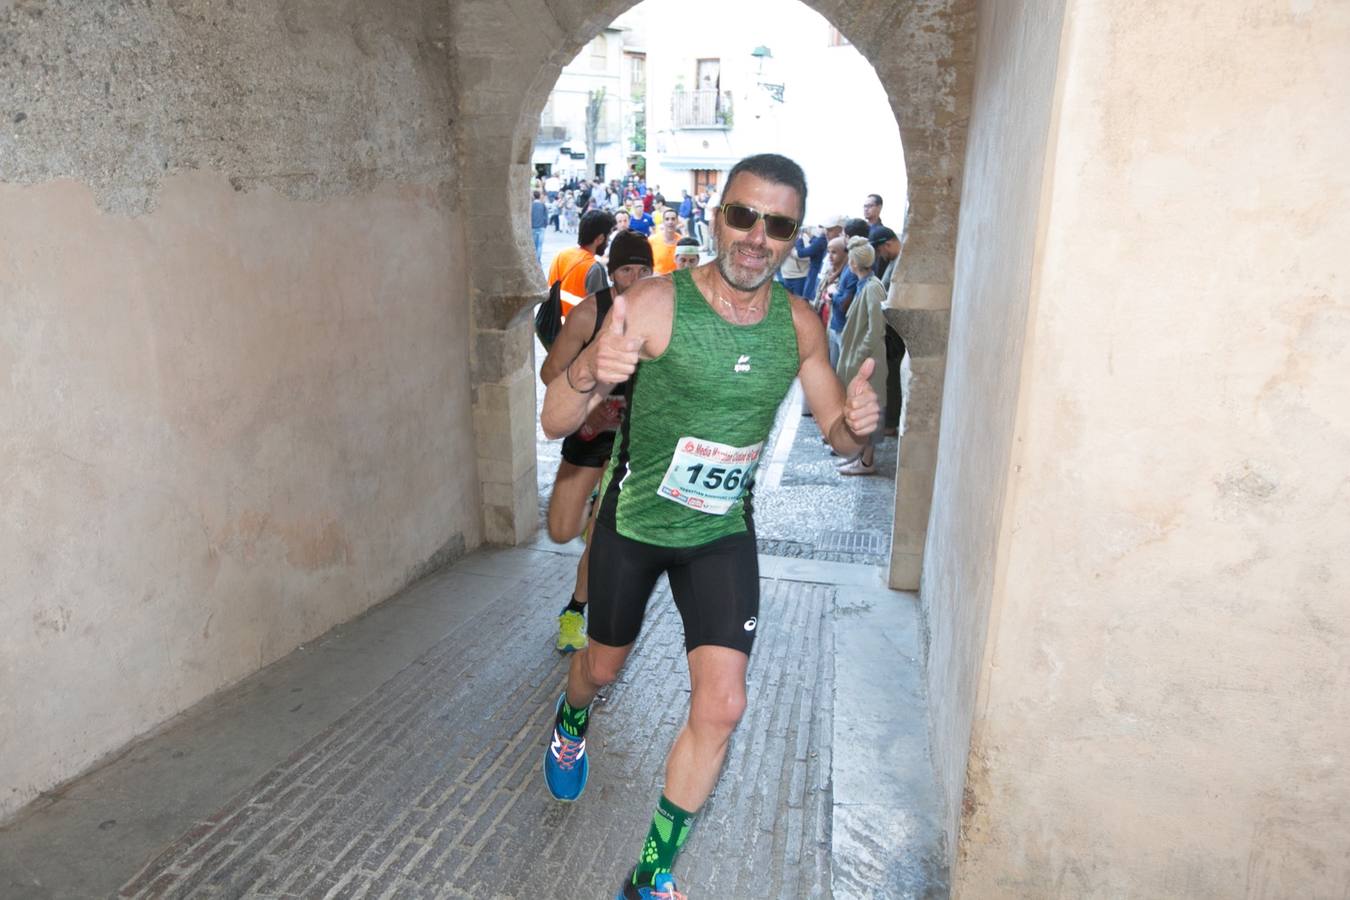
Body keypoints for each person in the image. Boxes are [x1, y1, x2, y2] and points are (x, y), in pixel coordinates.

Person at [538, 153, 880, 899]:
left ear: (795, 237)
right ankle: (570, 719)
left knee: (724, 705)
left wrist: (857, 427)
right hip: (635, 524)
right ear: (717, 217)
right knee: (601, 670)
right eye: (744, 215)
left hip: (721, 533)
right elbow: (555, 418)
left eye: (778, 223)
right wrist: (595, 366)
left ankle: (650, 874)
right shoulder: (657, 303)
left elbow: (839, 436)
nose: (758, 236)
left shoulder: (799, 324)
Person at [538, 232, 655, 651]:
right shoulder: (591, 313)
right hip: (589, 434)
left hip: (632, 441)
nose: (636, 277)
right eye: (627, 269)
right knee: (561, 528)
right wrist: (589, 405)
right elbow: (550, 373)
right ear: (612, 270)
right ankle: (592, 523)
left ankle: (575, 611)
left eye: (644, 269)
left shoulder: (662, 311)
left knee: (604, 536)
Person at [834, 236, 889, 476]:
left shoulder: (872, 288)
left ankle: (867, 461)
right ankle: (861, 456)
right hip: (862, 359)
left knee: (869, 408)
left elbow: (876, 328)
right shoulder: (866, 285)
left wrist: (859, 355)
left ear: (853, 264)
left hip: (867, 362)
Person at [547, 210, 615, 316]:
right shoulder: (594, 268)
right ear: (600, 238)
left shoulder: (561, 255)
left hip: (552, 326)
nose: (608, 242)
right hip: (578, 330)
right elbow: (602, 312)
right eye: (608, 237)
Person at [648, 208, 684, 275]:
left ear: (677, 221)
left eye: (673, 219)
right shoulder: (652, 240)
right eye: (667, 219)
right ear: (663, 222)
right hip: (657, 280)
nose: (670, 222)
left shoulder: (682, 242)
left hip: (676, 281)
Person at [530, 190, 549, 262]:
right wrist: (545, 225)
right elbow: (546, 216)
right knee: (540, 245)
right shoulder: (543, 205)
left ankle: (534, 259)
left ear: (533, 196)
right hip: (541, 227)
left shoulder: (531, 205)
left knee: (534, 245)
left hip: (533, 226)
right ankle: (538, 259)